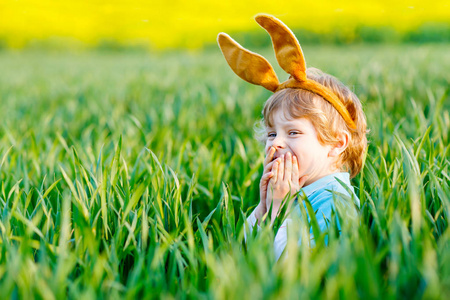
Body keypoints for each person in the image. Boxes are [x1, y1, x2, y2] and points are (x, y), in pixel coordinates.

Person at [217, 14, 367, 260]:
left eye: (293, 132)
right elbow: (243, 253)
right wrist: (263, 208)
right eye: (272, 133)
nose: (275, 143)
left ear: (337, 144)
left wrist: (280, 211)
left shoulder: (335, 201)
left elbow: (295, 268)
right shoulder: (298, 191)